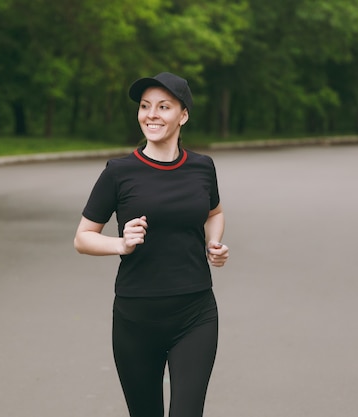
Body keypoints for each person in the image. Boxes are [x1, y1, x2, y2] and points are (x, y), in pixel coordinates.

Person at [74, 72, 229, 417]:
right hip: (136, 318)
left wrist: (214, 242)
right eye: (145, 107)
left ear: (183, 115)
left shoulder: (203, 168)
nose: (151, 115)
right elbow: (82, 238)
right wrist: (121, 244)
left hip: (195, 313)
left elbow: (214, 212)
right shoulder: (119, 172)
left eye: (163, 106)